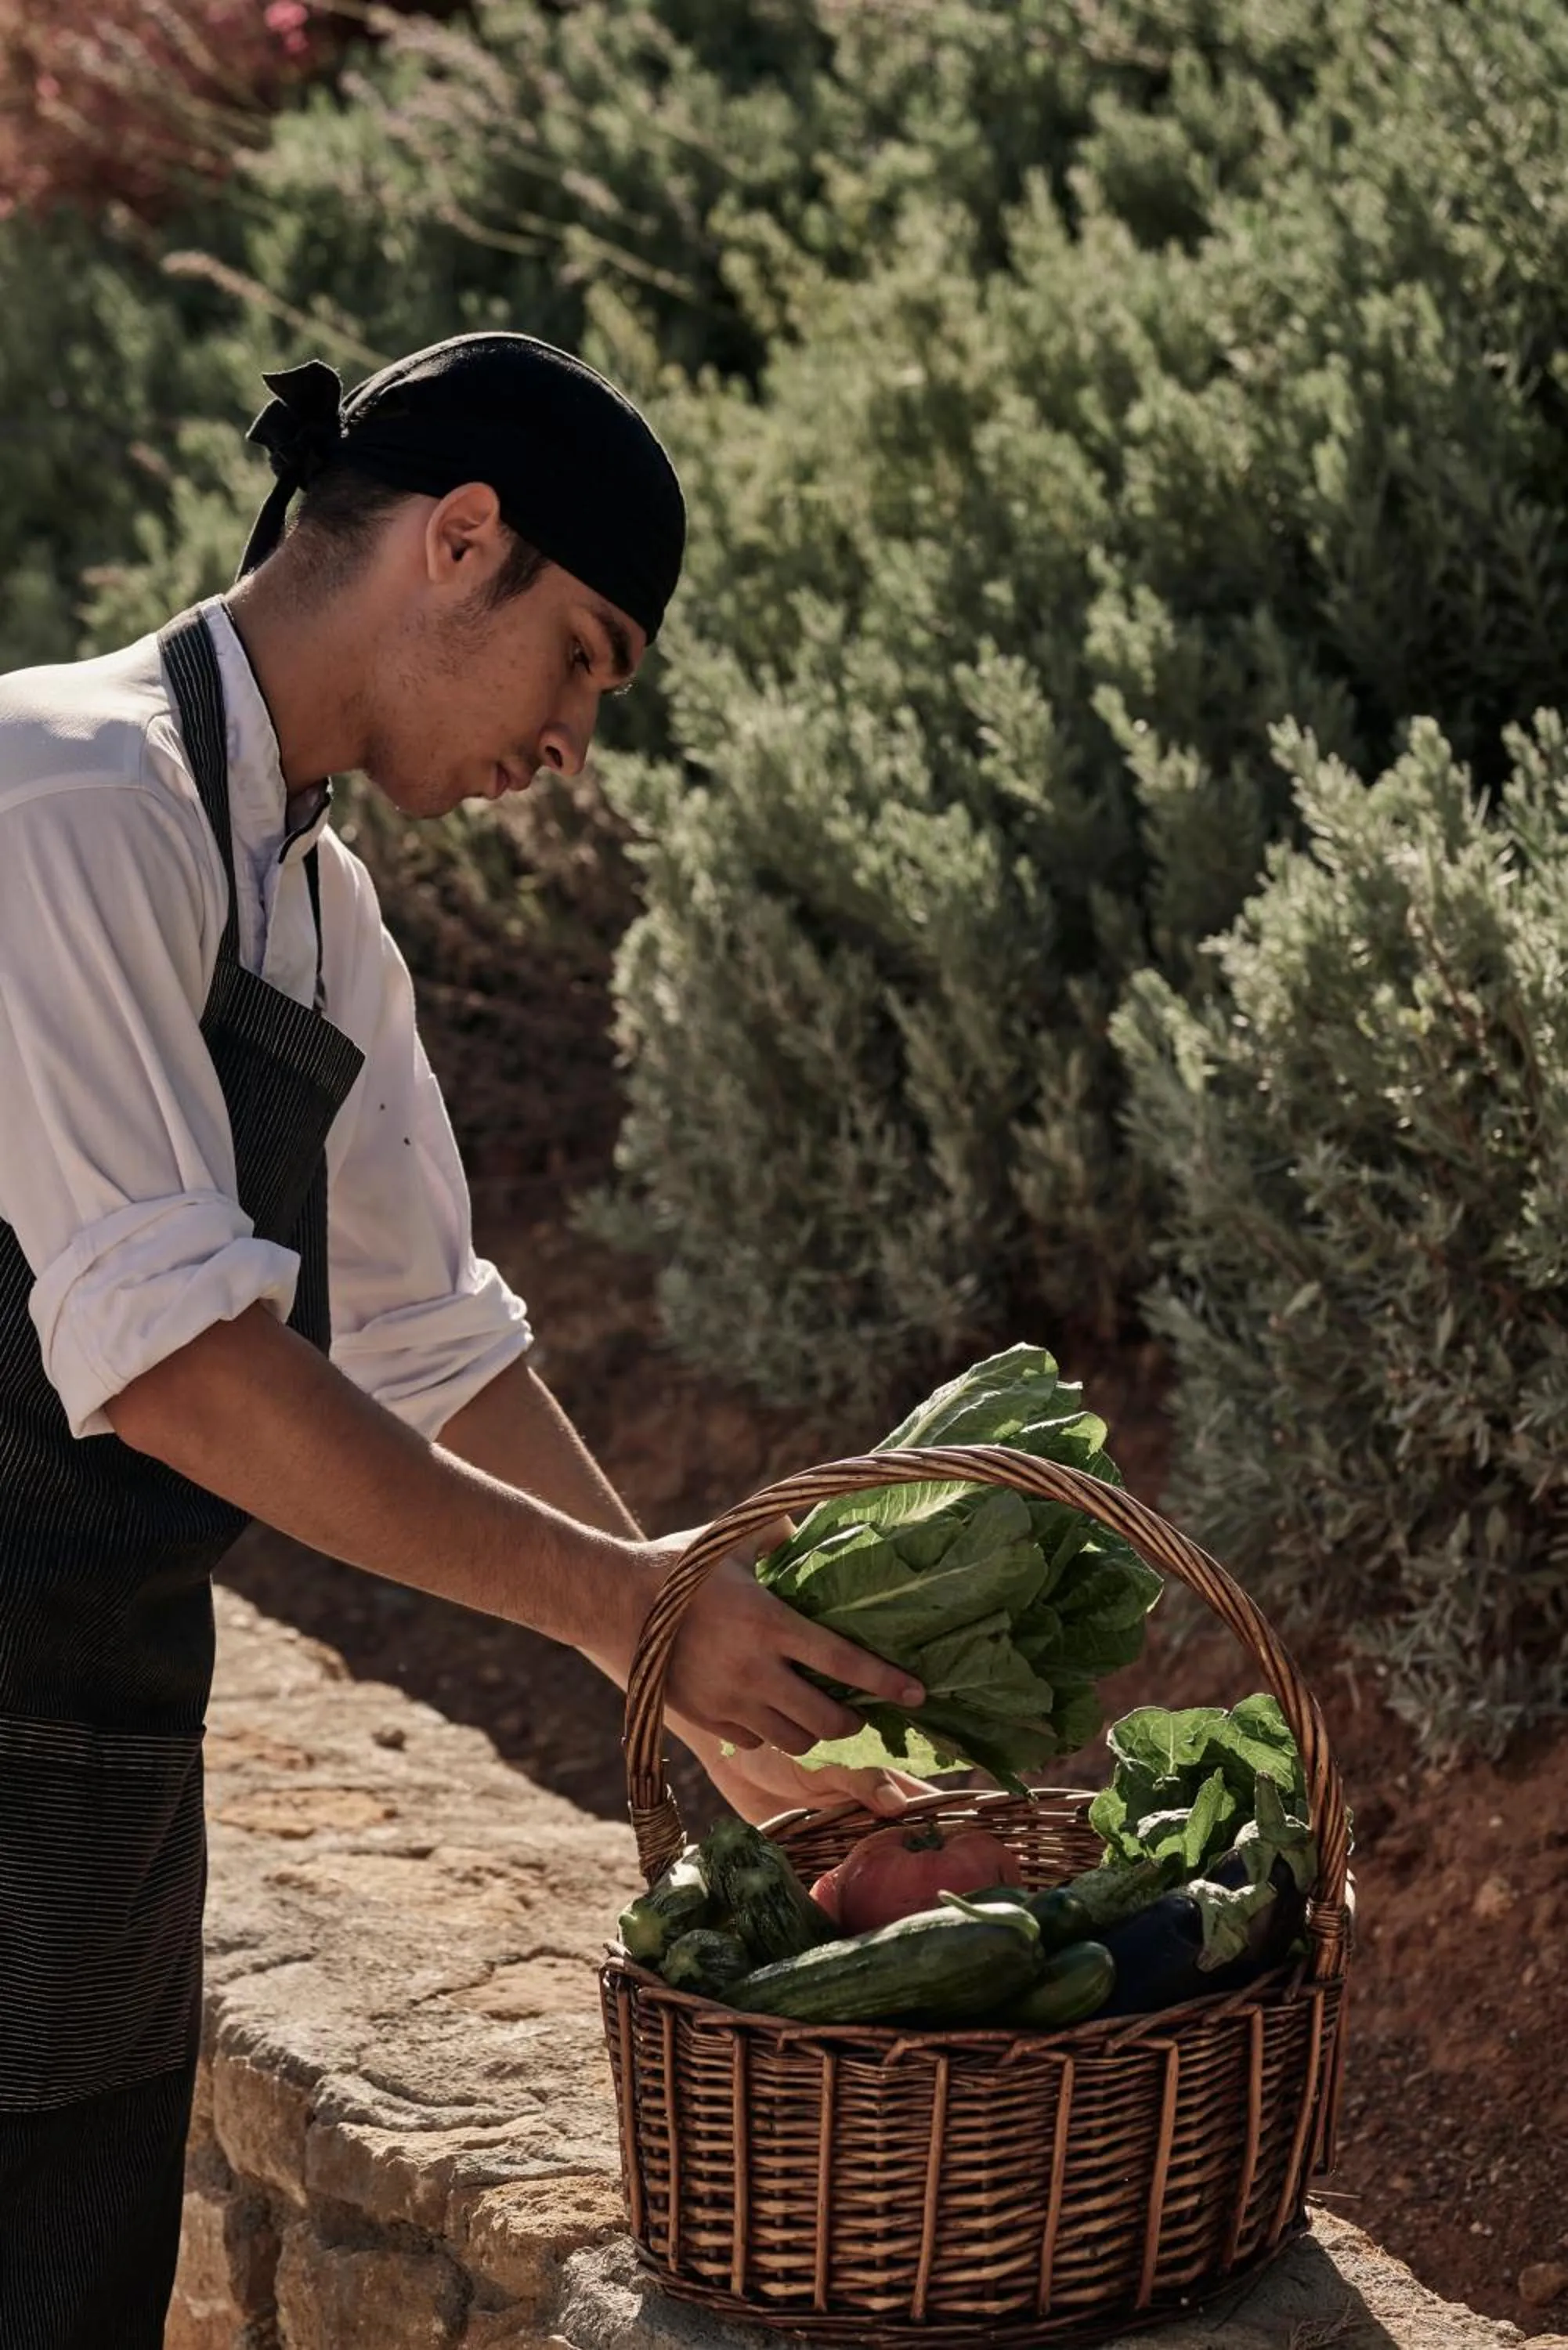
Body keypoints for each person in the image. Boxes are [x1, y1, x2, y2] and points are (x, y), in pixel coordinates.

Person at [0, 332, 924, 2349]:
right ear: (460, 537)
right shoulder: (64, 797)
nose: (574, 739)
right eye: (581, 658)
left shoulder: (320, 915)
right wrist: (622, 1602)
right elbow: (177, 1367)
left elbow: (435, 1345)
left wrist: (716, 1711)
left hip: (92, 1774)